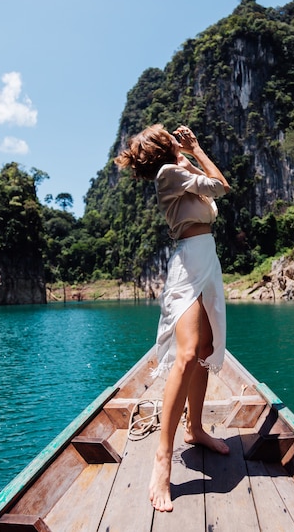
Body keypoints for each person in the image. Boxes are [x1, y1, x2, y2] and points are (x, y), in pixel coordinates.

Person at [115, 123, 231, 512]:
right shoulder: (169, 174)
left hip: (205, 257)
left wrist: (191, 152)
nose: (173, 132)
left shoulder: (176, 172)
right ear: (162, 146)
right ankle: (162, 459)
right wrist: (196, 151)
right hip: (189, 263)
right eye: (168, 133)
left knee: (206, 347)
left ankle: (195, 428)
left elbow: (211, 191)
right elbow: (220, 186)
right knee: (186, 354)